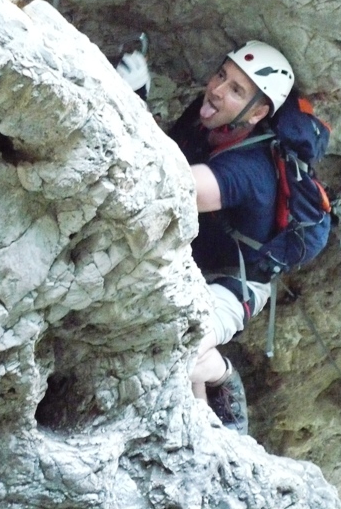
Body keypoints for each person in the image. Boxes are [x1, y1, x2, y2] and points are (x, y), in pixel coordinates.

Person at [117, 40, 295, 434]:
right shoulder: (203, 124)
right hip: (187, 263)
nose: (216, 90)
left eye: (236, 90)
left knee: (184, 345)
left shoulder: (250, 170)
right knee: (167, 326)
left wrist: (130, 103)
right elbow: (162, 154)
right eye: (222, 75)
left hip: (232, 283)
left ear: (258, 112)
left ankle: (221, 382)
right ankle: (197, 426)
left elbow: (165, 187)